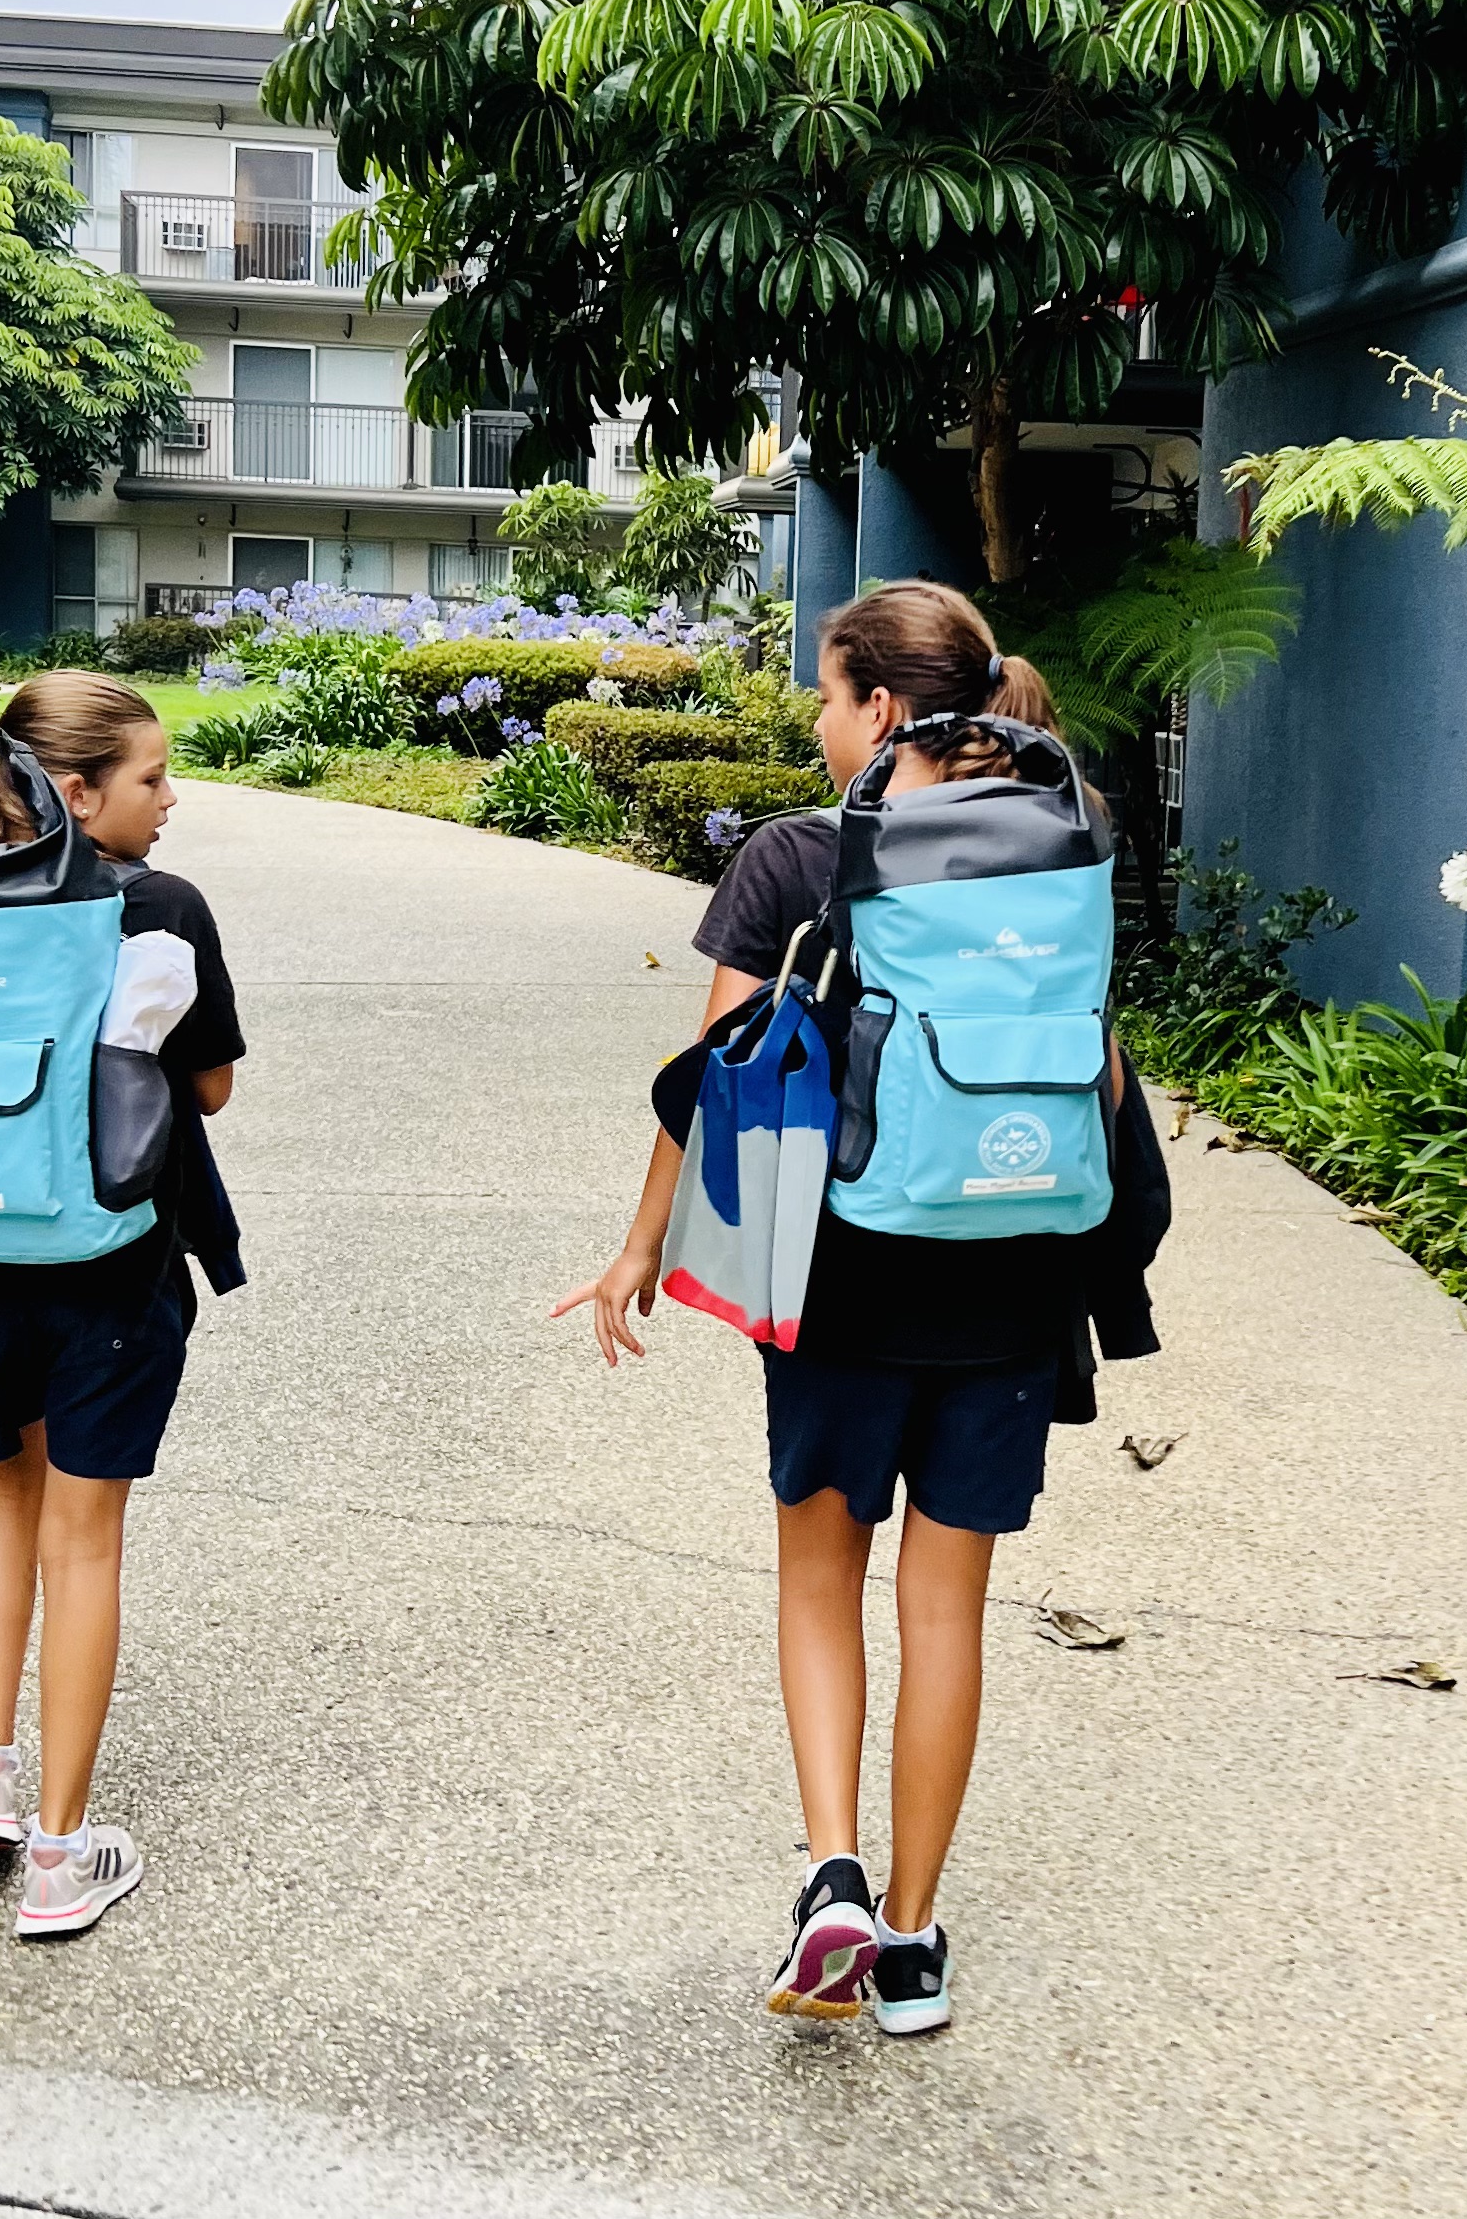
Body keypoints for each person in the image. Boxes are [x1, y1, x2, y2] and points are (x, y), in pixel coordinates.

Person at [556, 583, 1167, 2037]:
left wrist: (640, 1244)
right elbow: (1102, 1088)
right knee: (943, 1609)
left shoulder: (794, 862)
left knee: (819, 1583)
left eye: (829, 697)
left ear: (884, 712)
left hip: (833, 1290)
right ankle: (907, 1938)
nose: (820, 724)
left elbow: (720, 1076)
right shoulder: (1056, 858)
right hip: (1013, 1291)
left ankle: (828, 1870)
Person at [0, 671, 245, 1939]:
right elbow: (206, 1091)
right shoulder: (158, 905)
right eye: (152, 778)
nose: (171, 799)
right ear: (73, 791)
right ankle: (60, 1856)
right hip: (113, 1260)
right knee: (86, 1534)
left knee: (2, 1485)